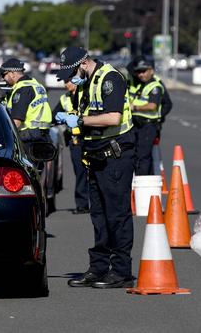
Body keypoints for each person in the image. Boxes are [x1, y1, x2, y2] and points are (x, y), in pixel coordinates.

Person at [55, 46, 135, 289]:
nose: (69, 78)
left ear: (83, 63)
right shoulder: (86, 83)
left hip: (115, 156)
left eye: (71, 72)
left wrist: (78, 120)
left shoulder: (109, 78)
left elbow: (113, 118)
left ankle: (121, 270)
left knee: (116, 215)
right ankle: (99, 267)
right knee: (99, 215)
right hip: (96, 156)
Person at [52, 79, 89, 214]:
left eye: (68, 81)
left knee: (93, 172)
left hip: (89, 138)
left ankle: (97, 203)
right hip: (75, 140)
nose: (66, 84)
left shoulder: (86, 94)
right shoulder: (64, 98)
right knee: (80, 172)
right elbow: (53, 116)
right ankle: (82, 204)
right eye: (65, 82)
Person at [0, 58, 52, 146]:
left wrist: (3, 137)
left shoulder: (22, 89)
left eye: (4, 75)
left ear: (12, 74)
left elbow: (16, 122)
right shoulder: (36, 84)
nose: (3, 79)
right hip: (43, 135)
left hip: (29, 138)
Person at [129, 57, 166, 175]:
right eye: (139, 72)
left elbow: (152, 106)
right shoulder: (140, 85)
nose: (141, 74)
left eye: (144, 71)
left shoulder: (155, 86)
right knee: (136, 155)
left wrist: (134, 107)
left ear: (151, 71)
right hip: (136, 124)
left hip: (148, 125)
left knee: (143, 156)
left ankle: (143, 183)